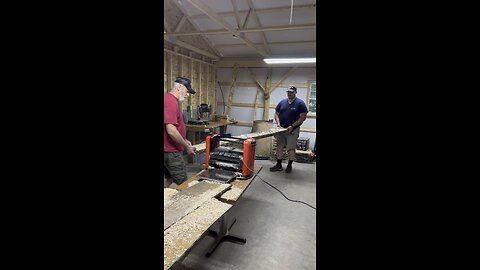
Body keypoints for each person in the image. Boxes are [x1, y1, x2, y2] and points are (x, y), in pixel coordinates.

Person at [164, 76, 197, 189]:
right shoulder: (170, 102)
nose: (187, 95)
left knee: (171, 179)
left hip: (168, 150)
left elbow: (173, 129)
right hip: (171, 152)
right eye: (187, 91)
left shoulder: (170, 100)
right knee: (182, 184)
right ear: (178, 87)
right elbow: (171, 131)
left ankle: (167, 205)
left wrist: (185, 140)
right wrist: (186, 147)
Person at [270, 86, 308, 173]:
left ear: (295, 93)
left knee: (291, 148)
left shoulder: (300, 103)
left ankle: (289, 165)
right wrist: (278, 123)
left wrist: (292, 126)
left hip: (293, 130)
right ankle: (279, 165)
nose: (289, 94)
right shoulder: (282, 102)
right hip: (281, 129)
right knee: (279, 147)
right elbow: (276, 114)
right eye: (288, 92)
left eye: (291, 92)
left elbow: (303, 118)